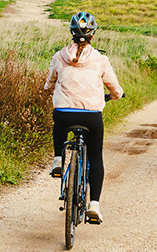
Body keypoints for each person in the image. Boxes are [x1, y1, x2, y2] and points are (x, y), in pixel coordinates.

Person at [45, 12, 123, 224]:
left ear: (71, 33)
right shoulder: (100, 60)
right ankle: (94, 205)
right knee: (95, 157)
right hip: (91, 116)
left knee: (59, 121)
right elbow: (114, 87)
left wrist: (49, 89)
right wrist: (116, 95)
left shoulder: (59, 56)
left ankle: (58, 159)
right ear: (93, 35)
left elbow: (49, 83)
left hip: (64, 113)